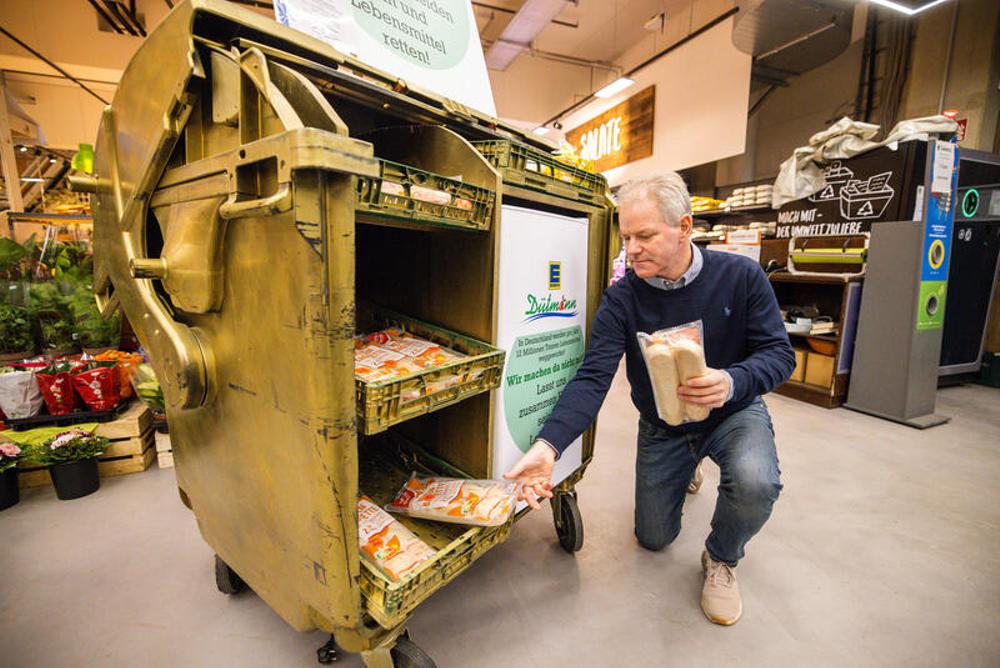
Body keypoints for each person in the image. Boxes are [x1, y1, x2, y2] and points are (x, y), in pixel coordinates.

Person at [503, 171, 795, 626]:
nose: (631, 249)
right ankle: (689, 463)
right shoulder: (622, 300)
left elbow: (779, 354)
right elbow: (593, 377)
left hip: (731, 412)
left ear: (684, 227)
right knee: (654, 538)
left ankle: (721, 559)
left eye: (644, 235)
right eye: (625, 237)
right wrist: (548, 446)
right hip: (664, 426)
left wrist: (732, 381)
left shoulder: (740, 276)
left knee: (757, 482)